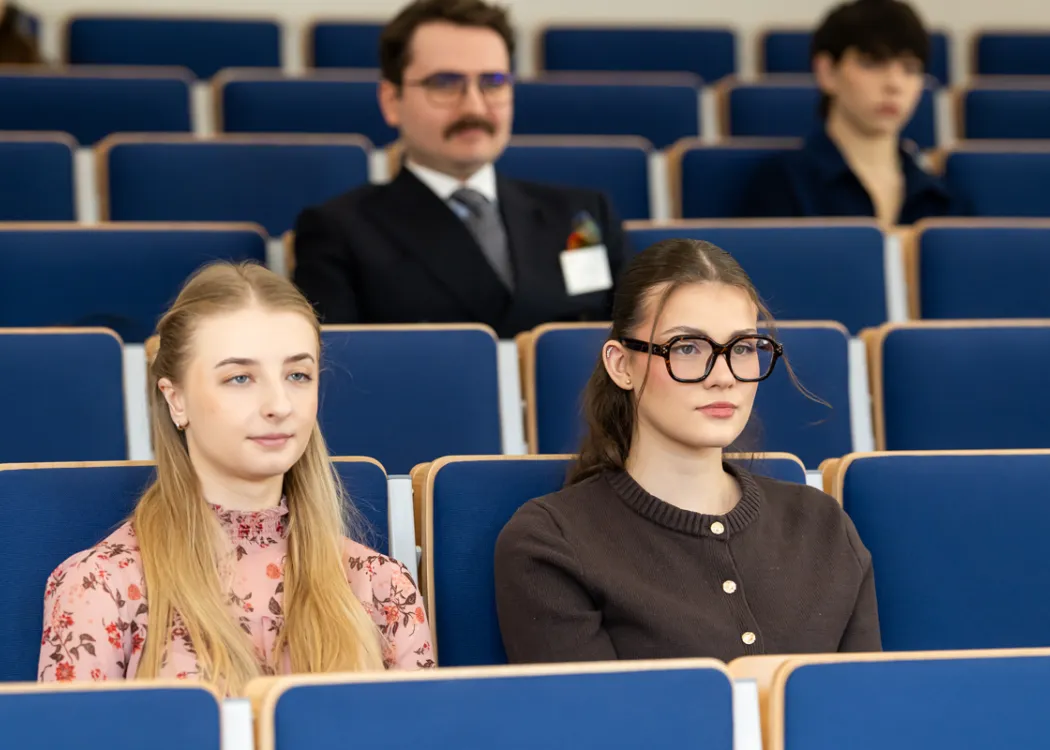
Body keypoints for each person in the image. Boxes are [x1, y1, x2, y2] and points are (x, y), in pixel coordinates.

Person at [38, 262, 434, 694]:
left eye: (297, 375)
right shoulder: (101, 587)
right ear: (176, 400)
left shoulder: (380, 586)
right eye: (240, 377)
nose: (279, 404)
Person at [493, 239, 881, 664]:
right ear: (621, 365)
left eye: (743, 348)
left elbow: (864, 714)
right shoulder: (551, 540)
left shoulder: (823, 524)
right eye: (687, 348)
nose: (722, 377)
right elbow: (592, 725)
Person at [292, 0, 627, 339]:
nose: (474, 106)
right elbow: (338, 373)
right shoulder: (339, 232)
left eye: (493, 82)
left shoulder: (581, 213)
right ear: (391, 101)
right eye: (445, 83)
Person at [745, 0, 965, 226]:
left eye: (910, 69)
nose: (895, 84)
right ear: (827, 71)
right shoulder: (782, 183)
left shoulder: (941, 196)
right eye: (873, 63)